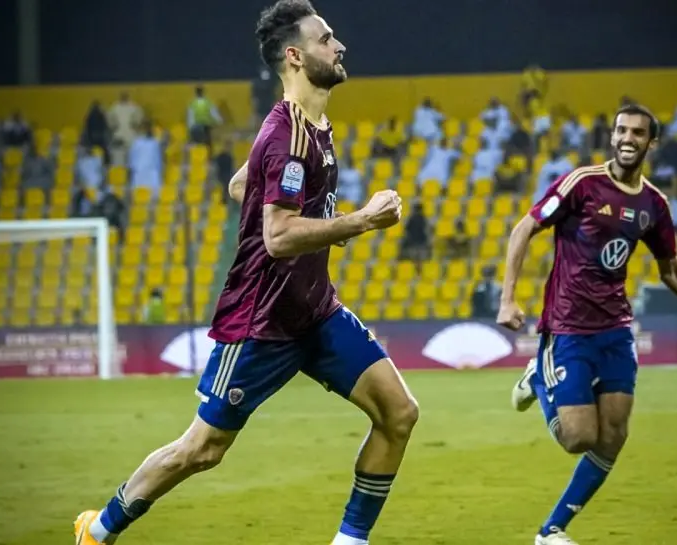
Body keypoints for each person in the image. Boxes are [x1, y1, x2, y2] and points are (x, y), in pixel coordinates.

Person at [73, 2, 418, 545]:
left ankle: (350, 541)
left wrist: (313, 220)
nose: (339, 46)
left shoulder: (313, 126)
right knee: (202, 450)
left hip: (315, 311)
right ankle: (99, 529)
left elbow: (242, 185)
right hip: (262, 322)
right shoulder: (288, 136)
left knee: (398, 413)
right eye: (326, 39)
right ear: (295, 56)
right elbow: (278, 237)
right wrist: (361, 221)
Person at [496, 103, 677, 545]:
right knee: (578, 439)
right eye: (621, 130)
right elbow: (524, 228)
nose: (628, 138)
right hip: (568, 326)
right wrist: (508, 299)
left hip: (617, 330)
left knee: (614, 436)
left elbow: (669, 269)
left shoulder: (654, 204)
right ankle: (538, 379)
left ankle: (551, 531)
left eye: (638, 133)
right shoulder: (582, 184)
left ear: (651, 143)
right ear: (612, 136)